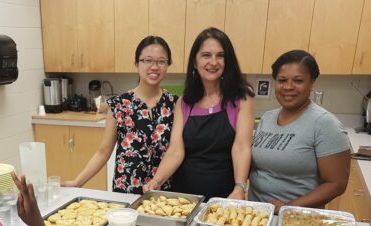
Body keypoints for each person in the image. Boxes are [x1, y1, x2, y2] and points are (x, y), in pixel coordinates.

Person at [143, 27, 255, 201]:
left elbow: (241, 147)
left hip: (225, 195)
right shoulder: (185, 102)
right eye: (206, 55)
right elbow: (175, 150)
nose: (213, 62)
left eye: (220, 55)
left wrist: (240, 187)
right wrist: (156, 180)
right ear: (195, 62)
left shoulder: (242, 98)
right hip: (184, 196)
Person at [63, 36, 178, 194]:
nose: (154, 67)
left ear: (168, 65)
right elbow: (104, 151)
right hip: (126, 191)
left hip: (164, 194)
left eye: (161, 61)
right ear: (137, 64)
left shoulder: (175, 105)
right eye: (147, 60)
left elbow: (176, 150)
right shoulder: (119, 105)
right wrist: (78, 181)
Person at [248, 50, 350, 212]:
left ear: (312, 82)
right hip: (256, 215)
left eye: (298, 80)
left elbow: (336, 184)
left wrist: (288, 208)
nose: (288, 87)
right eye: (282, 80)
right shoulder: (267, 118)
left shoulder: (324, 123)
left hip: (297, 218)